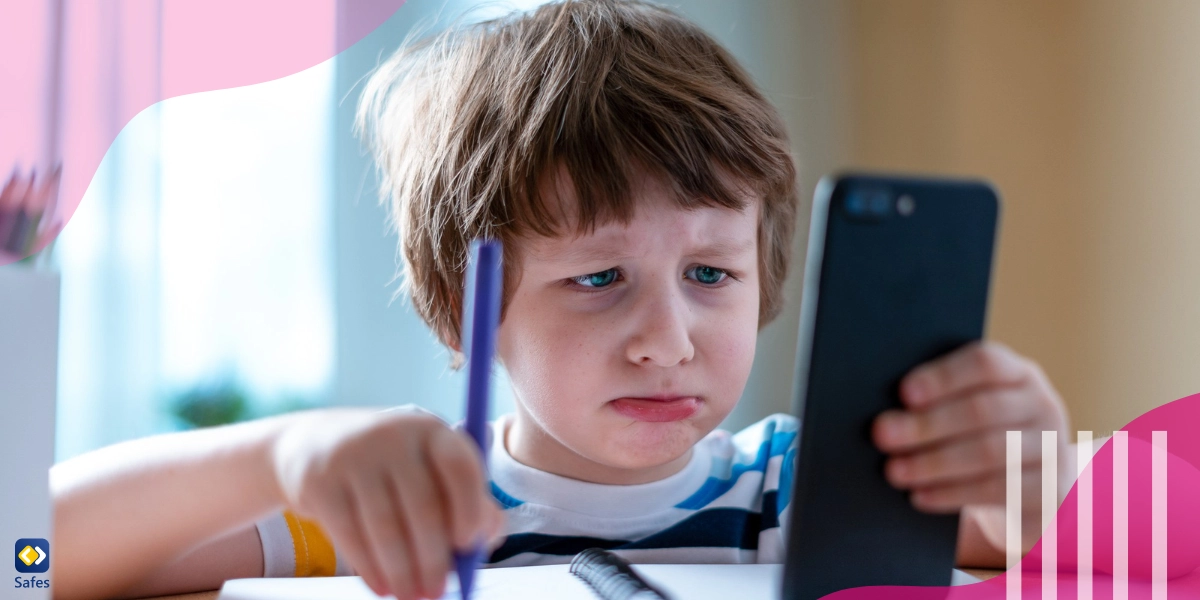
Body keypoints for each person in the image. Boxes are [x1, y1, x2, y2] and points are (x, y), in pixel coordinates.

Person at [50, 2, 1074, 599]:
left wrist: (1020, 458)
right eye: (597, 279)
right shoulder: (405, 502)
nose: (665, 342)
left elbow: (1064, 533)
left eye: (711, 274)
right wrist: (276, 457)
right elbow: (31, 550)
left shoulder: (800, 490)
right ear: (462, 308)